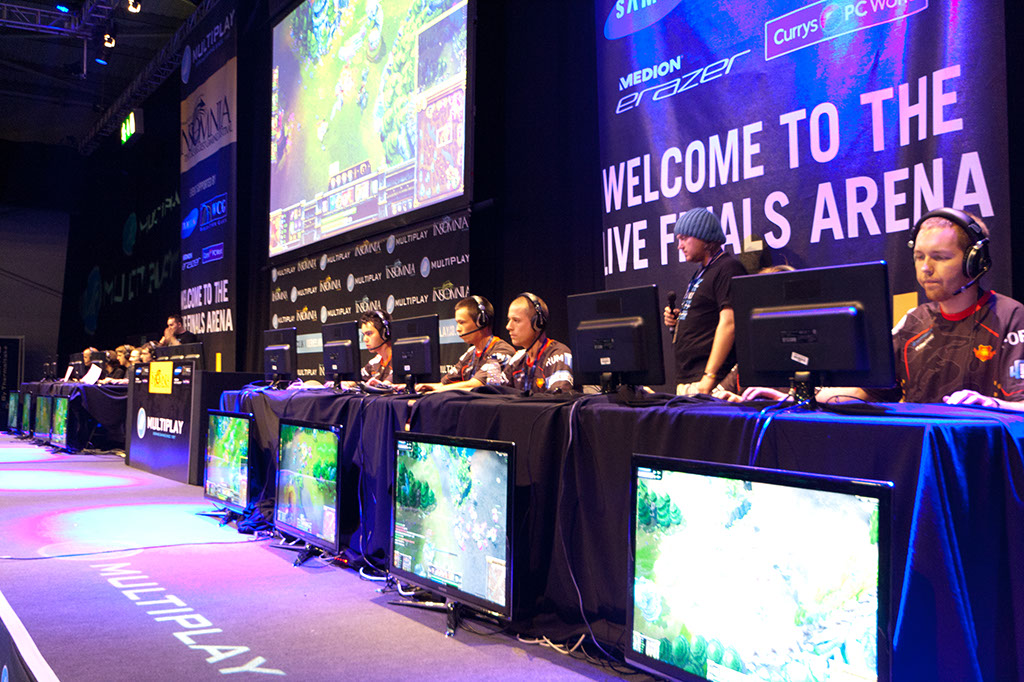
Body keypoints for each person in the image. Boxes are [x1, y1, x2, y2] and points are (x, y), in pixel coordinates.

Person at [742, 208, 1024, 408]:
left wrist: (994, 404)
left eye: (939, 257)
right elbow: (866, 391)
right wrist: (794, 399)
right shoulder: (914, 322)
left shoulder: (1010, 318)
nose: (925, 268)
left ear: (975, 262)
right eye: (919, 257)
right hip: (919, 453)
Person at [663, 207, 748, 395]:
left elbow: (730, 323)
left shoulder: (728, 268)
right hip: (690, 379)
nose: (679, 246)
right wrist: (680, 319)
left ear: (704, 237)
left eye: (684, 238)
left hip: (710, 382)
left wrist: (709, 377)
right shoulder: (702, 272)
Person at [416, 295, 515, 393]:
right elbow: (445, 383)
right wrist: (428, 387)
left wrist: (437, 390)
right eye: (457, 323)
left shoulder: (503, 351)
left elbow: (477, 384)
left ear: (482, 322)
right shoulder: (470, 352)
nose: (458, 329)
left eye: (462, 322)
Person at [500, 292, 574, 395]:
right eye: (509, 320)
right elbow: (497, 395)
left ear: (537, 323)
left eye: (516, 320)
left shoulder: (558, 354)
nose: (508, 326)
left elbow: (558, 397)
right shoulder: (516, 360)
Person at [354, 310, 393, 386]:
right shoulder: (375, 362)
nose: (365, 339)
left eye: (369, 334)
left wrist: (382, 386)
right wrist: (347, 382)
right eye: (364, 335)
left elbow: (387, 385)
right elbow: (357, 379)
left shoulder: (400, 361)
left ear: (385, 333)